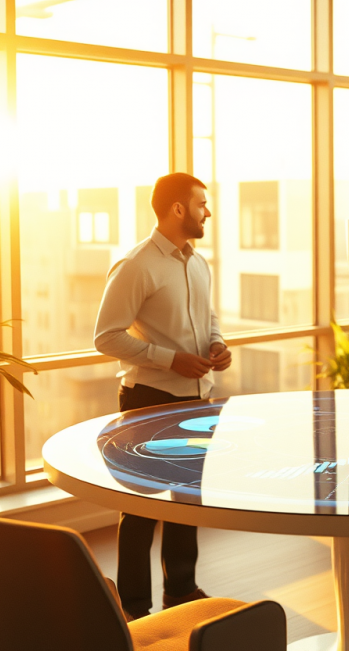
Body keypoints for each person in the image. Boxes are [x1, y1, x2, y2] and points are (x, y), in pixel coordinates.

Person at [94, 172, 232, 621]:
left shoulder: (199, 262)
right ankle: (135, 609)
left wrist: (216, 344)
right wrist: (169, 359)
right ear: (177, 209)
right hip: (148, 399)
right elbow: (106, 336)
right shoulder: (136, 264)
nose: (206, 211)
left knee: (187, 498)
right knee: (140, 507)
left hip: (197, 400)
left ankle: (182, 591)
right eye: (200, 204)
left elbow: (208, 317)